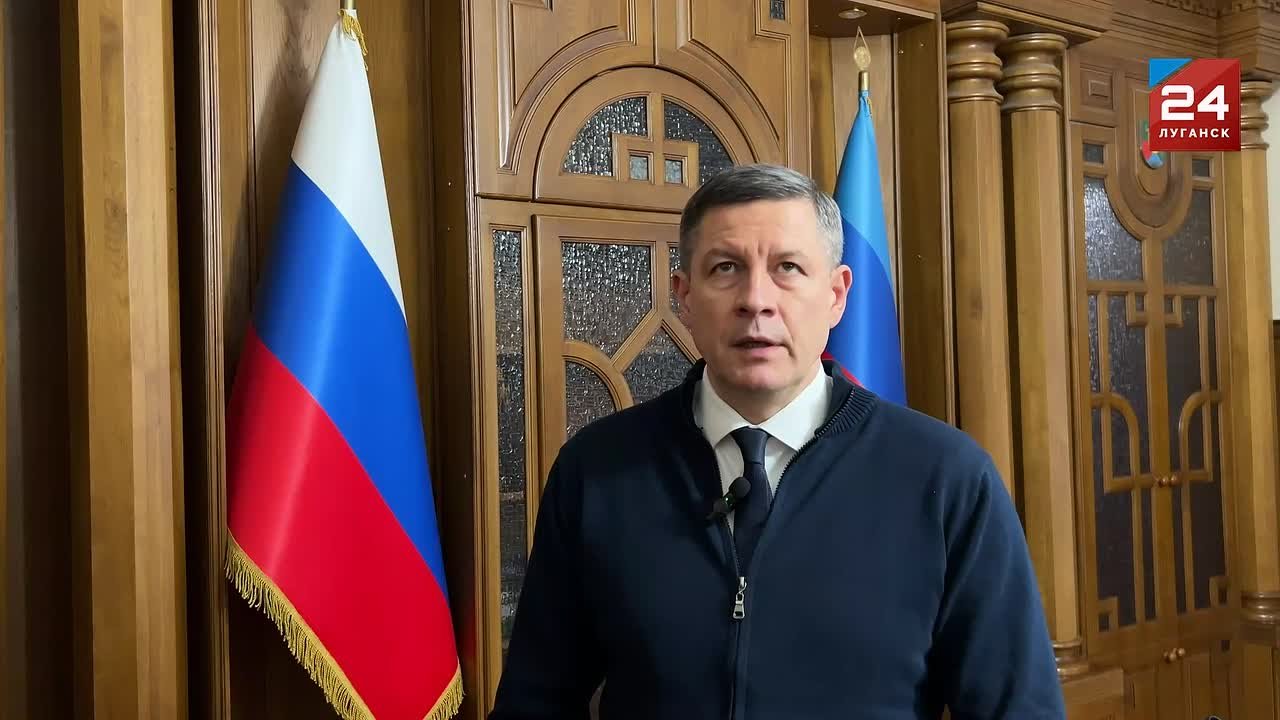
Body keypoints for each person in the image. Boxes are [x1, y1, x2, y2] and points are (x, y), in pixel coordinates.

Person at [488, 163, 1066, 719]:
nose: (756, 300)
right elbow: (536, 704)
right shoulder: (597, 470)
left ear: (837, 295)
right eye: (725, 268)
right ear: (684, 296)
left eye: (788, 267)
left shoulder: (946, 478)